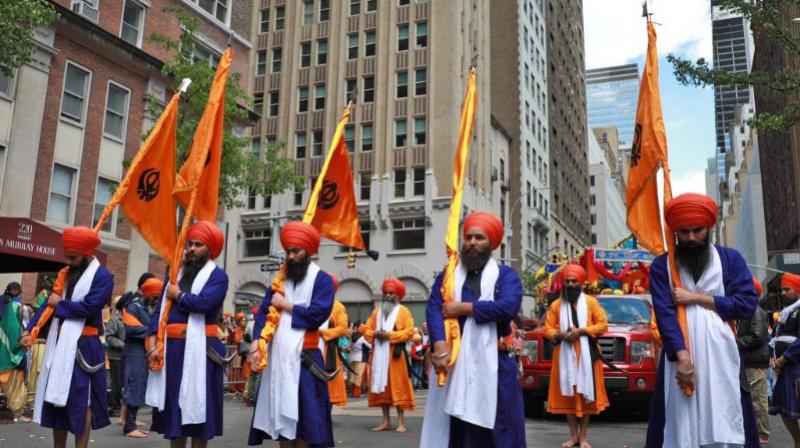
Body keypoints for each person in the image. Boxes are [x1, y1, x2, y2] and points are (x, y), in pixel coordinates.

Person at [645, 193, 760, 448]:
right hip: (679, 354)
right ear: (675, 232)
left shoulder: (731, 259)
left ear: (708, 228)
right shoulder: (662, 265)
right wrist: (683, 358)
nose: (691, 238)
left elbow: (746, 303)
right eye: (684, 232)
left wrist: (696, 298)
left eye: (697, 231)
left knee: (727, 411)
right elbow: (664, 313)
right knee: (678, 419)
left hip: (722, 353)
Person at [420, 211, 525, 448]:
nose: (472, 243)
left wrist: (464, 308)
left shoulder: (506, 276)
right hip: (455, 364)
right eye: (468, 237)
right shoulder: (449, 276)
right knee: (459, 429)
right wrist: (439, 346)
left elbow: (507, 308)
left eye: (480, 238)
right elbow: (434, 308)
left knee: (500, 428)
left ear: (491, 244)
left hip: (496, 366)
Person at [20, 226, 113, 448]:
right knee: (56, 401)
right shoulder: (66, 273)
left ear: (87, 253)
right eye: (67, 256)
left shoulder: (103, 277)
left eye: (73, 256)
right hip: (60, 344)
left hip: (85, 347)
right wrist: (30, 331)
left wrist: (59, 305)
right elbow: (48, 304)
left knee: (83, 402)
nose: (69, 260)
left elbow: (89, 308)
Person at [248, 220, 335, 447]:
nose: (291, 257)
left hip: (305, 359)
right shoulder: (279, 281)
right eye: (288, 252)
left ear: (308, 251)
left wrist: (286, 305)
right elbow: (263, 314)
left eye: (296, 251)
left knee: (305, 421)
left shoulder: (322, 280)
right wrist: (256, 342)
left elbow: (317, 315)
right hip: (277, 358)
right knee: (280, 419)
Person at [145, 220, 229, 447]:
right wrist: (152, 345)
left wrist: (179, 296)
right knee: (175, 414)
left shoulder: (218, 277)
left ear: (210, 250)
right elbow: (158, 313)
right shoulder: (175, 274)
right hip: (172, 351)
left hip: (203, 351)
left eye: (198, 245)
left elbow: (204, 304)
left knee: (199, 413)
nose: (191, 249)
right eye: (190, 244)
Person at [543, 264, 608, 448]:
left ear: (581, 283)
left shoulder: (591, 302)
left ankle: (583, 437)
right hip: (563, 356)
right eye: (567, 281)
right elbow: (548, 329)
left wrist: (582, 331)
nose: (570, 284)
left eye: (574, 281)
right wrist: (560, 335)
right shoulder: (556, 305)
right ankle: (573, 436)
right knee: (568, 396)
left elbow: (603, 325)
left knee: (586, 395)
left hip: (587, 358)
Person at [360, 278, 416, 433]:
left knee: (398, 388)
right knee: (381, 389)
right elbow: (367, 330)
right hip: (379, 355)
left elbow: (409, 332)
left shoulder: (403, 311)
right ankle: (386, 421)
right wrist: (374, 334)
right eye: (386, 292)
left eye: (391, 293)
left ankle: (401, 422)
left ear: (397, 295)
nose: (388, 295)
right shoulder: (376, 312)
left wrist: (389, 336)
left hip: (396, 358)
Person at [121, 278, 160, 438]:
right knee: (133, 387)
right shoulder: (133, 307)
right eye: (155, 296)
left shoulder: (145, 308)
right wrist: (153, 333)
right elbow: (130, 329)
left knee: (139, 388)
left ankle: (132, 423)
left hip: (142, 353)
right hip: (134, 353)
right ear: (148, 293)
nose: (157, 300)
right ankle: (129, 427)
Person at [737, 278, 770, 445]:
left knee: (757, 399)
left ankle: (763, 434)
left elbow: (757, 336)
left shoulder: (755, 310)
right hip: (749, 361)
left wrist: (736, 342)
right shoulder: (747, 310)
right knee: (753, 399)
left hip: (755, 362)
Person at [770, 272, 800, 447]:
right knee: (785, 411)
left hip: (795, 366)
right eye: (781, 290)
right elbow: (776, 338)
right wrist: (774, 360)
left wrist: (783, 359)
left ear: (797, 290)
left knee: (793, 409)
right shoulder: (785, 314)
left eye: (787, 289)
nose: (783, 293)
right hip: (782, 369)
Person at [320, 275, 349, 407]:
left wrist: (324, 333)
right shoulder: (314, 302)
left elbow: (343, 328)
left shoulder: (338, 307)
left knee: (329, 383)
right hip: (311, 348)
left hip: (329, 350)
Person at [0, 280, 26, 422]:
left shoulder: (7, 306)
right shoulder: (14, 307)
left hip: (3, 355)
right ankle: (18, 413)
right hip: (10, 359)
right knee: (16, 386)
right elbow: (15, 334)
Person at [105, 295, 125, 420]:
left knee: (121, 382)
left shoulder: (126, 318)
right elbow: (108, 337)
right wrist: (124, 345)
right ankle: (114, 407)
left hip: (124, 355)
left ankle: (119, 407)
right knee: (116, 383)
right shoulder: (115, 320)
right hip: (116, 355)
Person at [349, 323, 371, 398]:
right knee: (359, 376)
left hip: (353, 358)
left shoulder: (352, 336)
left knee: (353, 375)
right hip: (361, 358)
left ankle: (352, 392)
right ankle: (356, 393)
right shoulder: (362, 338)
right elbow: (370, 346)